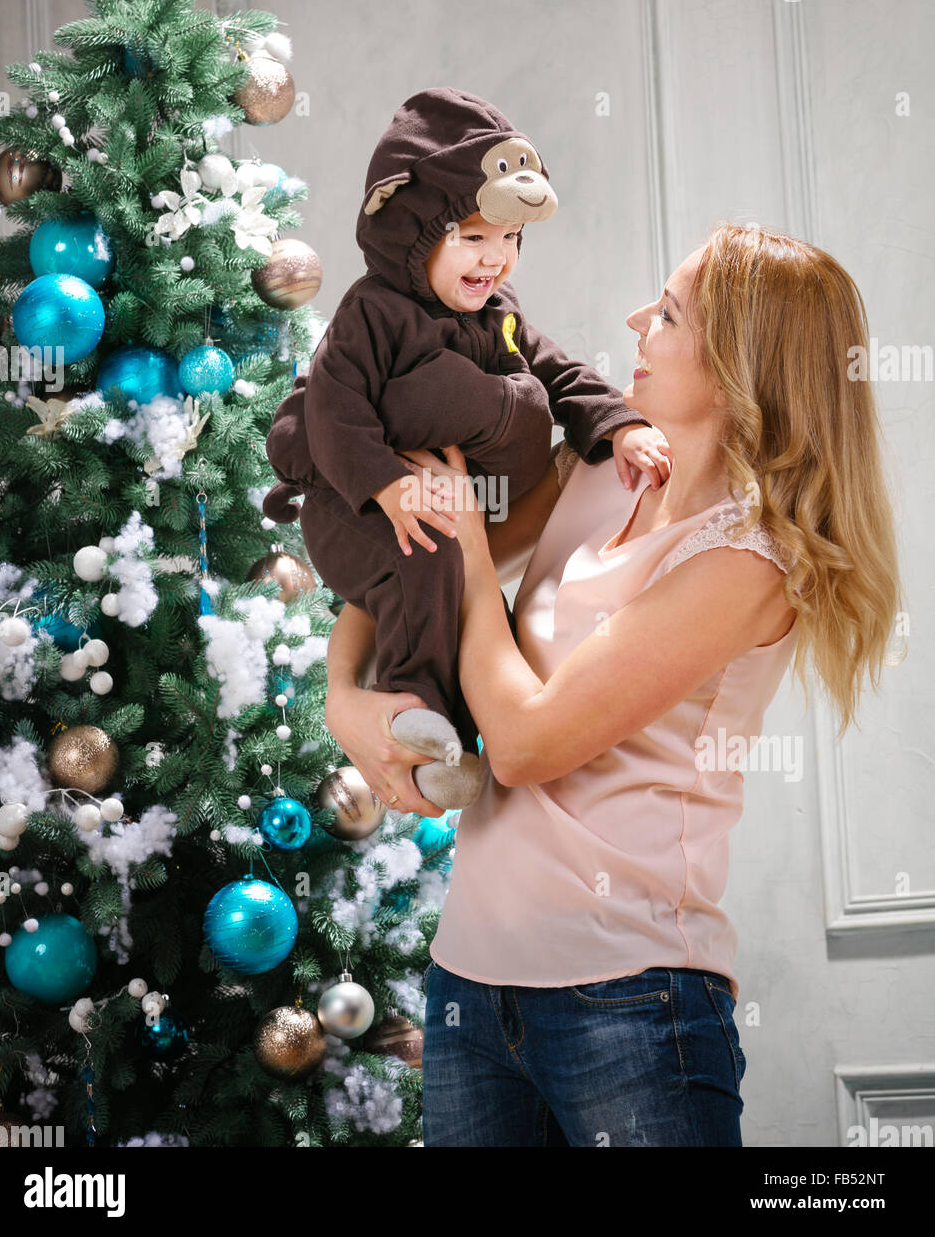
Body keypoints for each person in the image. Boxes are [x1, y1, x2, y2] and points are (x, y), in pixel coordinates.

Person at [324, 223, 902, 1146]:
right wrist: (341, 693)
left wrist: (474, 555)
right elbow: (403, 562)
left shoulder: (750, 562)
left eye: (667, 313)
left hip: (630, 1002)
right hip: (466, 983)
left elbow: (522, 744)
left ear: (736, 365)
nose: (636, 320)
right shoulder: (597, 468)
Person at [262, 88, 671, 810]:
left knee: (444, 563)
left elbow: (561, 370)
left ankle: (436, 739)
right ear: (416, 233)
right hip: (350, 507)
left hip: (448, 497)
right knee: (427, 544)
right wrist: (385, 483)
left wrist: (618, 425)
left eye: (510, 241)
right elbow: (333, 407)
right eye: (475, 238)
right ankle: (422, 702)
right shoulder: (372, 312)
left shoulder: (498, 314)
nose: (497, 261)